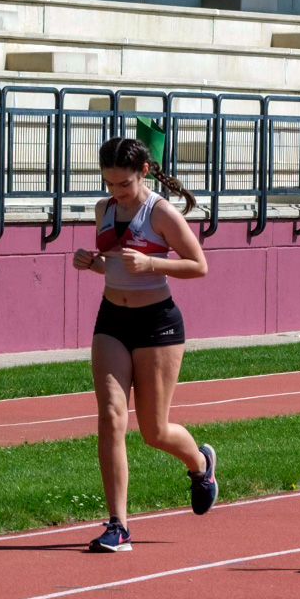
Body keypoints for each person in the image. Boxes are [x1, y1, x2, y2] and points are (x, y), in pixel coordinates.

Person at [71, 137, 218, 553]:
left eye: (124, 184)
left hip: (157, 324)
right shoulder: (104, 210)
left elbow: (199, 265)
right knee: (111, 416)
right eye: (109, 183)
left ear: (145, 173)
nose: (116, 192)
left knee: (153, 431)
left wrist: (152, 262)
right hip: (111, 320)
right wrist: (93, 264)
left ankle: (201, 464)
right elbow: (114, 264)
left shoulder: (161, 212)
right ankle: (117, 524)